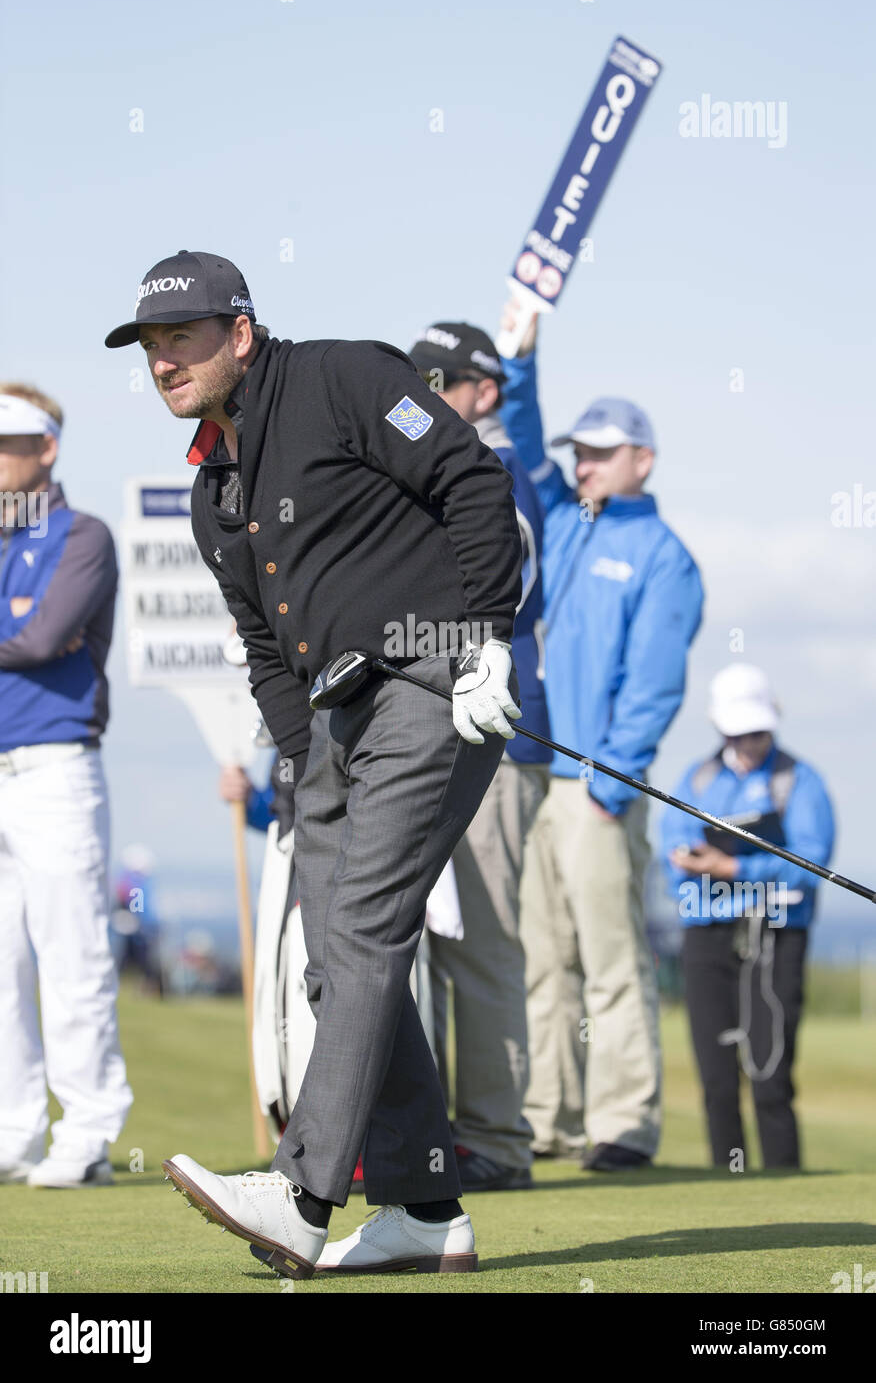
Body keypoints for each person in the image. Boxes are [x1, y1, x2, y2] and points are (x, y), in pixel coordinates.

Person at [104, 250, 523, 1279]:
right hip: (333, 733)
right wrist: (301, 771)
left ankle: (300, 1196)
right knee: (338, 961)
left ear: (238, 335)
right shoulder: (215, 489)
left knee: (368, 928)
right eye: (152, 348)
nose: (165, 361)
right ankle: (426, 1205)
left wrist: (486, 637)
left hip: (434, 685)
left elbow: (473, 480)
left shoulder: (344, 377)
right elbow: (264, 644)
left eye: (182, 340)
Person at [500, 308, 704, 1170]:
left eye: (601, 452)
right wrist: (522, 358)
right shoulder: (568, 518)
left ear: (642, 460)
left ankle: (624, 1123)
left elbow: (653, 689)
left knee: (613, 962)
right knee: (544, 964)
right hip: (544, 778)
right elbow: (522, 433)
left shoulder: (664, 555)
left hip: (598, 787)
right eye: (581, 451)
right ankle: (548, 1117)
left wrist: (609, 787)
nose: (583, 462)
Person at [407, 322, 551, 1192]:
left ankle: (497, 1139)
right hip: (441, 715)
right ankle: (447, 1136)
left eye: (441, 379)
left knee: (484, 941)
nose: (425, 392)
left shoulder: (497, 470)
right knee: (424, 941)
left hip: (492, 719)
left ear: (483, 390)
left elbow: (508, 583)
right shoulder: (441, 462)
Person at [0, 384, 133, 1187]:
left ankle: (85, 1132)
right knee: (2, 964)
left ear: (47, 448)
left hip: (54, 767)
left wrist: (24, 631)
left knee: (72, 955)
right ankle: (15, 1132)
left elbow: (47, 636)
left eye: (10, 441)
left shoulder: (83, 535)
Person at [661, 663, 835, 1169]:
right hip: (707, 936)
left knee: (771, 1074)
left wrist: (734, 867)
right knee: (717, 1076)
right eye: (739, 732)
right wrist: (692, 862)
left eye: (758, 731)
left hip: (777, 935)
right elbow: (672, 849)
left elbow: (811, 863)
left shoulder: (799, 780)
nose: (749, 742)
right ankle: (728, 1180)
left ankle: (783, 1179)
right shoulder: (696, 778)